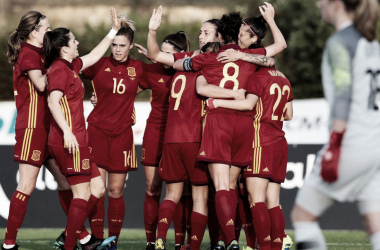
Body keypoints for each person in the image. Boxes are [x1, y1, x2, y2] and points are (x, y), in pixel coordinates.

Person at [173, 4, 286, 249]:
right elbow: (276, 52)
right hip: (244, 125)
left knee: (222, 186)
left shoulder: (210, 56)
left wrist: (191, 60)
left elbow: (177, 66)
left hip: (219, 121)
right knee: (233, 186)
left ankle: (230, 240)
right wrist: (269, 22)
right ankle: (241, 240)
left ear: (221, 36)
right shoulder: (251, 58)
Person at [290, 0, 380, 249]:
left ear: (337, 4)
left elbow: (344, 95)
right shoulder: (371, 42)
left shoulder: (339, 42)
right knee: (376, 224)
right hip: (375, 146)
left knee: (301, 217)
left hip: (351, 143)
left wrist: (335, 145)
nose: (319, 4)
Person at [44, 7, 121, 250]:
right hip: (69, 140)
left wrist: (113, 31)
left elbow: (94, 55)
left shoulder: (71, 66)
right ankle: (69, 245)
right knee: (81, 194)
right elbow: (52, 101)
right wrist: (67, 131)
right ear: (64, 48)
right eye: (73, 40)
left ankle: (70, 235)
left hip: (78, 139)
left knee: (97, 188)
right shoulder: (58, 69)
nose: (77, 42)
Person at [3, 10, 74, 250]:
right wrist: (61, 67)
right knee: (26, 185)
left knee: (65, 183)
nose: (50, 31)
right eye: (46, 27)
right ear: (34, 32)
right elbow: (42, 84)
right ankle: (9, 244)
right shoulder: (28, 53)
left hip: (47, 127)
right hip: (32, 127)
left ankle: (80, 237)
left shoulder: (41, 53)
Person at [207, 65, 293, 250]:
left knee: (256, 199)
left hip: (261, 139)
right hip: (279, 140)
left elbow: (247, 104)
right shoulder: (284, 77)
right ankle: (276, 244)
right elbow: (289, 114)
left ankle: (262, 246)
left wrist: (218, 102)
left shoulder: (258, 77)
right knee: (273, 200)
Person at [81, 14, 144, 250]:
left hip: (122, 135)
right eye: (114, 45)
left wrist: (125, 97)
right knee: (96, 190)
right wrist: (89, 96)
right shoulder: (97, 64)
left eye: (122, 46)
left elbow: (158, 81)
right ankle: (96, 240)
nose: (117, 50)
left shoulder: (138, 68)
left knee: (116, 191)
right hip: (96, 132)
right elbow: (70, 73)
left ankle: (113, 242)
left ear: (130, 46)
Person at [135, 31, 192, 250]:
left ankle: (180, 242)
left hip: (181, 134)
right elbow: (128, 92)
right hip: (155, 131)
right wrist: (101, 97)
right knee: (152, 188)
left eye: (168, 53)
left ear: (180, 55)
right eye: (162, 52)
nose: (163, 57)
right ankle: (151, 242)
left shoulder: (192, 67)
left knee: (180, 191)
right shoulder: (152, 70)